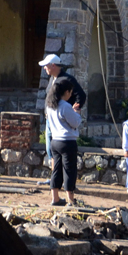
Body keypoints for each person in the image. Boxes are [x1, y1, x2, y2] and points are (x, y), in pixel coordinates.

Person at [38, 55, 86, 185]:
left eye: (46, 66)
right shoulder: (52, 79)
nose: (44, 69)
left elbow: (80, 95)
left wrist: (75, 109)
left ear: (53, 65)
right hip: (50, 121)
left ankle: (63, 181)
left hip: (62, 122)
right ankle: (55, 179)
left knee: (61, 153)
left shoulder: (67, 79)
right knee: (51, 151)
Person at [45, 78, 82, 207]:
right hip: (67, 141)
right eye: (70, 92)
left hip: (55, 141)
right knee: (69, 170)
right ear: (66, 92)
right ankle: (71, 200)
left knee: (56, 170)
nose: (71, 95)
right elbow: (75, 123)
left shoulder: (50, 106)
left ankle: (55, 198)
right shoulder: (65, 106)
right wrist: (76, 112)